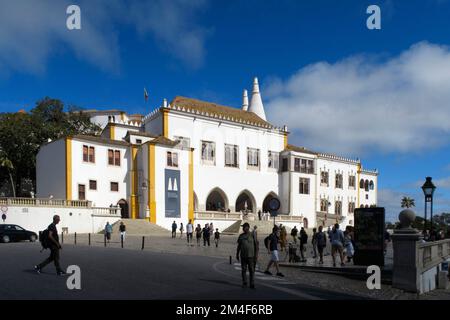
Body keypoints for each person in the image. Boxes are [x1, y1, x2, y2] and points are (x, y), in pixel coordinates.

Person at [236, 222, 258, 289]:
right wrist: (237, 254)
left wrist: (256, 255)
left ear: (247, 227)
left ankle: (252, 283)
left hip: (251, 256)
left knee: (251, 270)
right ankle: (244, 282)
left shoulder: (252, 235)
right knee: (243, 270)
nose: (243, 228)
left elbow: (256, 245)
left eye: (244, 227)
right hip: (243, 256)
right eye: (243, 227)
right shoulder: (241, 236)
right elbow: (239, 245)